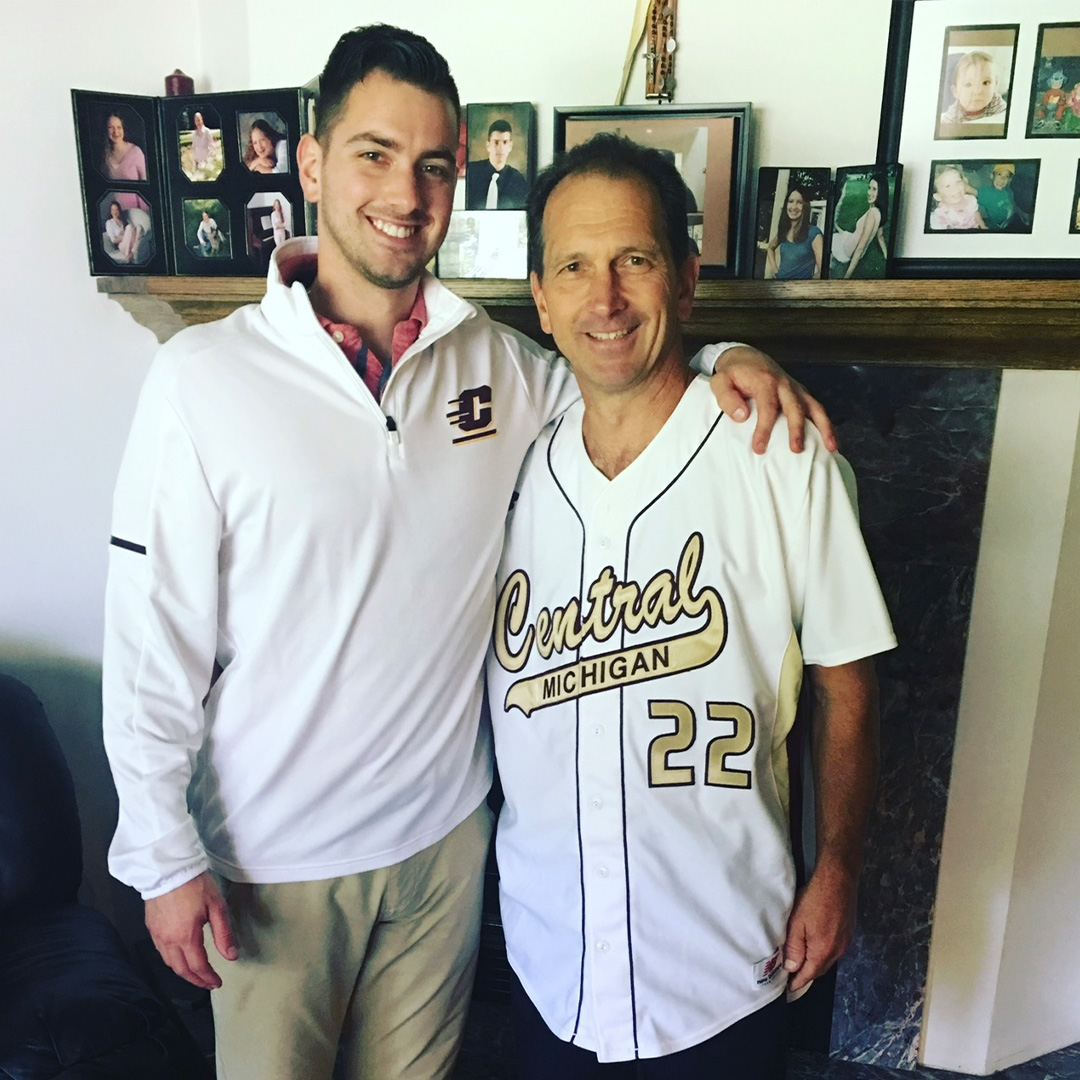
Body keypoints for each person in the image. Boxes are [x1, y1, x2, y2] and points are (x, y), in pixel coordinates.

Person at [102, 24, 833, 1080]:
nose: (407, 191)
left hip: (446, 849)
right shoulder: (199, 379)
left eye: (434, 164)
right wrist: (161, 857)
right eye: (373, 154)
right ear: (311, 164)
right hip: (272, 864)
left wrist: (728, 354)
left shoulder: (499, 363)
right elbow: (149, 637)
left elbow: (621, 362)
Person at [487, 132, 895, 1079]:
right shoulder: (503, 468)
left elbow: (850, 682)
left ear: (686, 275)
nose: (606, 299)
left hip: (723, 970)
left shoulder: (783, 452)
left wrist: (837, 868)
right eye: (575, 268)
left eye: (634, 260)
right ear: (540, 299)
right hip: (545, 961)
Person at [831, 171, 889, 278]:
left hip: (846, 252)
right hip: (851, 240)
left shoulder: (872, 214)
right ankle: (836, 227)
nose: (869, 192)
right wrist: (887, 256)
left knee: (830, 239)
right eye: (869, 188)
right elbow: (880, 236)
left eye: (874, 189)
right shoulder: (878, 212)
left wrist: (847, 276)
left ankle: (836, 229)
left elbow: (860, 248)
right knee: (842, 233)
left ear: (881, 192)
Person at [466, 118, 530, 210]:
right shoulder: (471, 172)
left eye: (505, 142)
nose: (500, 148)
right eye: (496, 142)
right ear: (488, 145)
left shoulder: (518, 181)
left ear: (510, 146)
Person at [763, 184, 822, 279]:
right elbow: (770, 248)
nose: (794, 207)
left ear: (805, 206)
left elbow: (822, 271)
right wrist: (775, 270)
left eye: (799, 202)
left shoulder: (814, 233)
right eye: (791, 201)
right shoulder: (784, 229)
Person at [939, 50, 1006, 125]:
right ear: (955, 91)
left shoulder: (995, 101)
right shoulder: (954, 113)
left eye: (985, 82)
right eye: (968, 84)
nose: (977, 91)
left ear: (995, 85)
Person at [929, 165, 985, 230]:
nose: (956, 188)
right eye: (948, 186)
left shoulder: (971, 200)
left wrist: (983, 226)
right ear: (938, 196)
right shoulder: (940, 216)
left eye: (958, 182)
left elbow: (976, 214)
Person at [102, 111, 147, 181]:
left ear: (123, 129)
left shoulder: (136, 152)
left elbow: (145, 183)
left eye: (119, 127)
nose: (115, 132)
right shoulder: (104, 155)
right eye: (111, 127)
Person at [976, 164, 1018, 231]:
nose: (1002, 179)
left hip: (1012, 220)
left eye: (1006, 176)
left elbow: (1012, 204)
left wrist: (1022, 214)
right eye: (999, 174)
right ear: (992, 176)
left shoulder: (1008, 191)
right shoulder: (988, 192)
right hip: (997, 226)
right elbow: (973, 191)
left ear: (1009, 180)